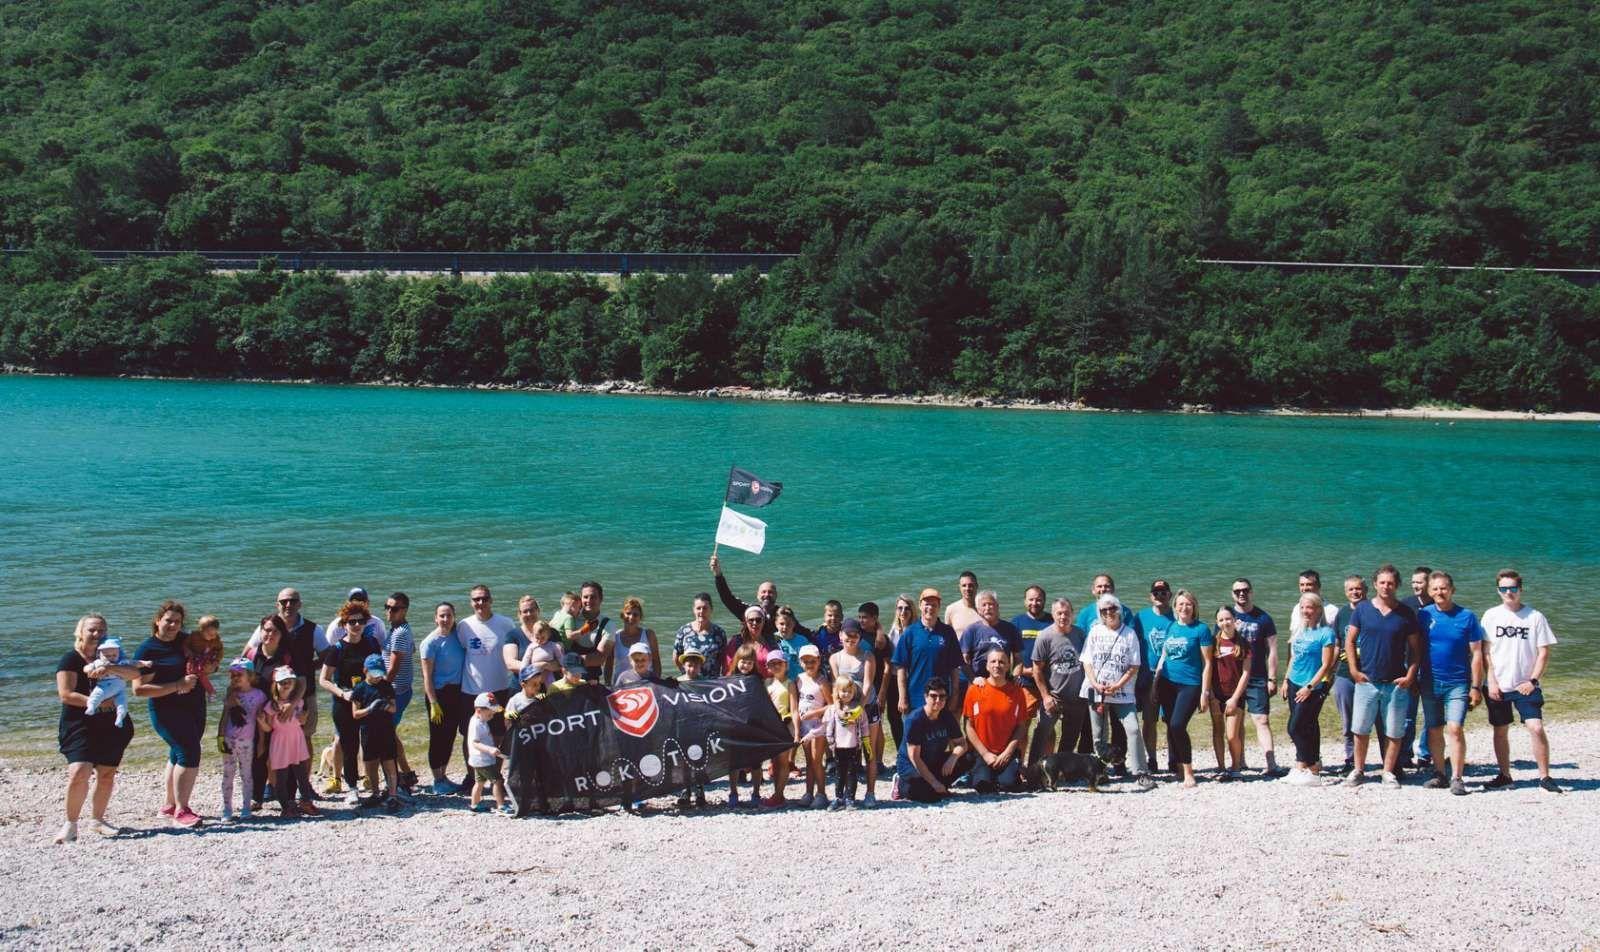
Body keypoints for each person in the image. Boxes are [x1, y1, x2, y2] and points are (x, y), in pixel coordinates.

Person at [55, 615, 139, 843]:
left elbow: (135, 674)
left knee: (107, 774)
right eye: (92, 630)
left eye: (101, 630)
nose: (97, 634)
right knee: (79, 772)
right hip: (79, 723)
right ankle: (70, 825)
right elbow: (66, 694)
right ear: (80, 632)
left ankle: (98, 820)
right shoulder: (71, 659)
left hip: (111, 724)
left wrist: (112, 667)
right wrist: (97, 703)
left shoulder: (113, 655)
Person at [1480, 569, 1561, 793]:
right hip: (1498, 684)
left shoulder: (1535, 616)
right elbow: (1485, 651)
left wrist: (1533, 681)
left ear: (1520, 589)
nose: (1509, 592)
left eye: (1513, 588)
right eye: (1504, 589)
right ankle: (1505, 775)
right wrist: (1491, 681)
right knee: (1500, 730)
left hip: (1526, 685)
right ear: (1498, 590)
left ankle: (1545, 777)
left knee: (1536, 727)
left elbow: (1543, 652)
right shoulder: (1491, 615)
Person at [1344, 564, 1423, 788]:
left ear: (1396, 585)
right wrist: (1354, 670)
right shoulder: (1363, 609)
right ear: (1375, 584)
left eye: (1390, 583)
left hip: (1396, 683)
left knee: (1394, 731)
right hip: (1367, 681)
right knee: (1360, 729)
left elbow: (1416, 648)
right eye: (1382, 582)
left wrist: (1410, 676)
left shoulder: (1406, 613)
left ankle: (1388, 772)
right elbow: (1350, 641)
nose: (1386, 586)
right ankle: (1358, 770)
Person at [132, 600, 205, 828]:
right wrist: (177, 685)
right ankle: (182, 811)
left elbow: (208, 652)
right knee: (189, 752)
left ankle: (169, 806)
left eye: (177, 622)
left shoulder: (186, 641)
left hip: (194, 704)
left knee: (178, 752)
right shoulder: (147, 650)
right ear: (157, 621)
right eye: (168, 621)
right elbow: (138, 689)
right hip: (166, 710)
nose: (173, 625)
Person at [1417, 571, 1484, 795]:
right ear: (1429, 591)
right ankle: (1440, 774)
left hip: (1458, 683)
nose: (1440, 592)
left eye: (1444, 588)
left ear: (1452, 589)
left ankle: (1457, 777)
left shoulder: (1467, 616)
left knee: (1455, 728)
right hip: (1429, 681)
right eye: (1435, 588)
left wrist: (1476, 686)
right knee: (1434, 728)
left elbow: (1477, 653)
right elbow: (1412, 646)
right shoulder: (1423, 615)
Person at [1082, 594, 1155, 790]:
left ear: (1119, 610)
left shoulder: (1129, 634)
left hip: (1123, 693)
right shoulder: (1095, 631)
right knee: (1099, 734)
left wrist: (1117, 685)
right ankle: (1100, 772)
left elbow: (1134, 665)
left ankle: (1141, 772)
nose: (1109, 613)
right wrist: (1095, 683)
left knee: (1133, 729)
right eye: (1104, 610)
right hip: (1096, 691)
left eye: (1112, 608)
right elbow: (1087, 661)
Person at [319, 600, 384, 805]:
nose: (356, 625)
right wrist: (342, 694)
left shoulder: (372, 643)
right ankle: (352, 788)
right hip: (344, 702)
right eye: (352, 621)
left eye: (361, 621)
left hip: (368, 700)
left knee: (371, 743)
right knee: (349, 746)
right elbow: (323, 680)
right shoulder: (337, 648)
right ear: (344, 624)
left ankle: (374, 786)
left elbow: (378, 670)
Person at [1153, 590, 1213, 788]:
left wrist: (1205, 693)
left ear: (1194, 607)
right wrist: (1156, 681)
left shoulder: (1201, 629)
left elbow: (1207, 663)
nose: (1184, 607)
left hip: (1190, 684)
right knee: (1170, 725)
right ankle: (1178, 769)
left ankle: (1188, 772)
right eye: (1180, 604)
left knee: (1178, 725)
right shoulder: (1171, 626)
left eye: (1188, 604)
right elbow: (1164, 655)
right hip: (1167, 683)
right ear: (1175, 607)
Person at [1280, 594, 1338, 786]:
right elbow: (1294, 658)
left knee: (1295, 727)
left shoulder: (1325, 633)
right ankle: (1302, 767)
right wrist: (1286, 680)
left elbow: (1326, 665)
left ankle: (1312, 768)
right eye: (1303, 607)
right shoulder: (1300, 630)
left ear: (1318, 610)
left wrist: (1310, 687)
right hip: (1294, 682)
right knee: (1306, 726)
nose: (1306, 611)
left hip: (1311, 686)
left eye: (1310, 607)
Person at [1230, 578, 1282, 776]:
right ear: (1232, 594)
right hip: (1234, 678)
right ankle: (1240, 761)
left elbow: (1273, 651)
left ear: (1251, 591)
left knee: (1261, 719)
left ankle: (1271, 764)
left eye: (1245, 590)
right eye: (1237, 591)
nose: (1241, 593)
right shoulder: (1227, 616)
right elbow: (1217, 647)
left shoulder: (1263, 618)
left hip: (1257, 676)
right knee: (1237, 720)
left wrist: (1272, 678)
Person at [1028, 597, 1087, 768]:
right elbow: (1037, 670)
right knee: (1042, 733)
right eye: (1059, 613)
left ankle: (1062, 771)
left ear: (1072, 614)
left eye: (1066, 613)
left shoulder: (1080, 634)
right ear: (1053, 615)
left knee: (1070, 738)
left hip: (1077, 698)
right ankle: (1033, 770)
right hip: (1054, 697)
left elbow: (1088, 664)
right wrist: (1045, 697)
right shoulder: (1045, 636)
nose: (1063, 617)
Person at [893, 677, 970, 802]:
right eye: (934, 696)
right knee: (929, 797)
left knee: (968, 757)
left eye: (942, 696)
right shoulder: (915, 720)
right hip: (911, 766)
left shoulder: (946, 716)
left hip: (933, 761)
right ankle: (900, 784)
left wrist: (952, 758)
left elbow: (962, 744)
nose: (938, 700)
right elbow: (915, 757)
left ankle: (936, 786)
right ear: (926, 697)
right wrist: (934, 783)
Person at [830, 618, 880, 806]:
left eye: (855, 635)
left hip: (867, 708)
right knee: (846, 753)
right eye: (847, 635)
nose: (851, 639)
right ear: (840, 635)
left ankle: (870, 793)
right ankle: (844, 795)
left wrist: (860, 708)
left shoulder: (867, 656)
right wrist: (838, 709)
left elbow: (867, 684)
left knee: (869, 751)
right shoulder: (835, 658)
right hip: (846, 712)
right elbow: (836, 687)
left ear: (860, 637)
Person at [963, 650, 1029, 793]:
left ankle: (1009, 772)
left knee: (1008, 785)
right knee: (982, 786)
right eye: (993, 661)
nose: (997, 665)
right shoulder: (974, 690)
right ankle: (977, 772)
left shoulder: (1017, 692)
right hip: (982, 752)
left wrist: (1008, 752)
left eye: (1001, 662)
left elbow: (1021, 727)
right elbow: (968, 727)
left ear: (1008, 666)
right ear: (987, 666)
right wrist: (985, 754)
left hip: (1006, 753)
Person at [456, 584, 517, 738]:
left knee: (500, 734)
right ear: (471, 602)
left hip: (500, 689)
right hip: (471, 691)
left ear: (491, 600)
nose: (480, 602)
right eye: (476, 599)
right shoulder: (464, 625)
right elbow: (461, 652)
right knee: (470, 735)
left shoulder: (506, 623)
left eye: (484, 598)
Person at [420, 602, 468, 795]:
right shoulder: (430, 643)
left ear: (454, 617)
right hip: (438, 695)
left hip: (456, 693)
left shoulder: (457, 636)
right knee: (437, 737)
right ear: (435, 618)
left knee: (450, 736)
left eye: (449, 615)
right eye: (442, 616)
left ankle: (444, 776)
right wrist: (433, 703)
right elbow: (426, 677)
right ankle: (437, 780)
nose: (445, 619)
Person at [891, 588, 962, 716]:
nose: (930, 608)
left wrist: (954, 696)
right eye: (926, 604)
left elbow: (955, 668)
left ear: (939, 607)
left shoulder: (948, 632)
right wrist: (902, 697)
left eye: (934, 605)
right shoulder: (910, 632)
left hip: (941, 699)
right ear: (920, 606)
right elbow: (901, 669)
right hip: (915, 700)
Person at [216, 657, 267, 820]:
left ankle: (246, 808)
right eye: (232, 674)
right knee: (228, 775)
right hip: (229, 739)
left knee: (246, 775)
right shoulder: (231, 693)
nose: (235, 677)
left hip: (247, 741)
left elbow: (260, 722)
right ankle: (227, 809)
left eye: (239, 674)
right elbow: (224, 716)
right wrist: (220, 736)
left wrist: (261, 742)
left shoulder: (259, 695)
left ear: (250, 676)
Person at [351, 654, 403, 812]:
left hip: (386, 730)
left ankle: (393, 795)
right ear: (365, 671)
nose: (377, 677)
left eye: (380, 673)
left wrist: (385, 706)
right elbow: (355, 714)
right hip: (368, 730)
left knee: (389, 762)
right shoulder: (360, 688)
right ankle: (375, 792)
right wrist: (369, 709)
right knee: (371, 764)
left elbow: (394, 708)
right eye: (374, 673)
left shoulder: (386, 686)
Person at [259, 667, 313, 818]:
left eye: (289, 681)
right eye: (282, 682)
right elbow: (268, 728)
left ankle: (306, 801)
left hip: (297, 739)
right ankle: (285, 806)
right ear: (275, 685)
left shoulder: (299, 702)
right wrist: (261, 722)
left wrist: (304, 718)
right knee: (281, 777)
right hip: (280, 742)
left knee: (302, 774)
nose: (286, 685)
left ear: (294, 684)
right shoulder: (272, 705)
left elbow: (302, 722)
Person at [1328, 575, 1367, 775]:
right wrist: (1329, 670)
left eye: (1358, 588)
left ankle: (1390, 763)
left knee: (1379, 720)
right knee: (1348, 721)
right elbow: (1337, 643)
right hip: (1344, 673)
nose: (1355, 592)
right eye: (1351, 589)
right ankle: (1351, 760)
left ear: (1365, 590)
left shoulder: (1373, 610)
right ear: (1346, 592)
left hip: (1370, 673)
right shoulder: (1342, 613)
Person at [1135, 579, 1176, 771]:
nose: (1160, 595)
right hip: (1148, 676)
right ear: (1150, 596)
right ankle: (1151, 758)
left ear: (1170, 595)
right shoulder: (1140, 617)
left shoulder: (1177, 616)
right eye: (1156, 593)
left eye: (1163, 592)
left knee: (1172, 721)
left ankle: (1174, 758)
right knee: (1149, 720)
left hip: (1171, 676)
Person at [1208, 606, 1251, 781]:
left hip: (1235, 695)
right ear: (1217, 622)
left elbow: (1246, 673)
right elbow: (1208, 669)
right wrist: (1210, 694)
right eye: (1221, 620)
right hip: (1216, 694)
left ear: (1234, 620)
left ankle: (1235, 767)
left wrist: (1234, 698)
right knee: (1218, 730)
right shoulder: (1213, 642)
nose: (1225, 622)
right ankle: (1221, 767)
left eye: (1228, 619)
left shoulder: (1243, 643)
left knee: (1232, 735)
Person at [381, 592, 418, 794]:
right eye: (387, 607)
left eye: (394, 608)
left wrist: (381, 688)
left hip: (396, 691)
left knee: (386, 736)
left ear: (404, 610)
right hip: (400, 690)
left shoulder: (400, 633)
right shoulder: (399, 629)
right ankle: (406, 773)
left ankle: (398, 778)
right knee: (390, 734)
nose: (389, 611)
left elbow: (394, 668)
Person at [957, 590, 1022, 699]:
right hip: (979, 684)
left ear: (997, 606)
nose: (987, 608)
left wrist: (1015, 676)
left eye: (991, 604)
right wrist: (973, 679)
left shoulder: (1010, 629)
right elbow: (963, 660)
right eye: (984, 605)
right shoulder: (971, 630)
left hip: (1003, 683)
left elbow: (1018, 659)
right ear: (978, 609)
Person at [1399, 565, 1433, 769]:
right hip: (1408, 663)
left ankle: (1425, 754)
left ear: (1430, 582)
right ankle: (1404, 754)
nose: (1415, 586)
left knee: (1431, 714)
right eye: (1413, 582)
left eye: (1419, 582)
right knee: (1407, 715)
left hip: (1432, 666)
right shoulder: (1405, 605)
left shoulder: (1438, 604)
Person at [794, 644, 832, 809]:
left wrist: (814, 713)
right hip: (804, 727)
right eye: (805, 661)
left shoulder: (822, 682)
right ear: (800, 662)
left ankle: (821, 793)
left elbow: (832, 705)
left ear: (819, 661)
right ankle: (808, 793)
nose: (809, 664)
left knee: (817, 761)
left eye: (812, 661)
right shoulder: (799, 679)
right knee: (809, 761)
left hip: (818, 726)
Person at [674, 649, 711, 810]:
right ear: (683, 665)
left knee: (699, 758)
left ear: (700, 666)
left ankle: (700, 789)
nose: (692, 669)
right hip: (682, 725)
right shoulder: (677, 682)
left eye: (695, 666)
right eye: (689, 665)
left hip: (699, 726)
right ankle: (685, 789)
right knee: (684, 759)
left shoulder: (705, 682)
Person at [709, 553, 779, 639]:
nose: (767, 595)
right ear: (757, 595)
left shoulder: (782, 614)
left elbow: (795, 632)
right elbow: (727, 598)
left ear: (776, 595)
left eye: (770, 592)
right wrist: (718, 574)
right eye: (763, 592)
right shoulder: (749, 611)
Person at [822, 679, 866, 809]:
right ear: (837, 692)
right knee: (839, 773)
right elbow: (827, 727)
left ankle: (850, 798)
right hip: (838, 747)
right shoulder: (833, 710)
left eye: (849, 691)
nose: (846, 694)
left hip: (854, 747)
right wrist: (830, 742)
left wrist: (866, 742)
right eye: (843, 691)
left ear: (854, 693)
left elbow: (864, 726)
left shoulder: (858, 710)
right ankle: (838, 798)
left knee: (852, 773)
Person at [466, 693, 512, 814]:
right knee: (497, 781)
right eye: (490, 714)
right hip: (483, 760)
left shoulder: (480, 720)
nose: (492, 717)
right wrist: (489, 749)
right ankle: (501, 806)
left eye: (493, 714)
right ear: (479, 711)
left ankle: (474, 805)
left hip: (478, 760)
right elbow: (475, 743)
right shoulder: (476, 724)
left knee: (479, 782)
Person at [761, 651, 795, 808]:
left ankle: (779, 794)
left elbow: (794, 709)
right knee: (774, 763)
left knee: (783, 761)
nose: (776, 666)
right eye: (772, 664)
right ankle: (777, 794)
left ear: (785, 665)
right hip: (770, 727)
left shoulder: (790, 683)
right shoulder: (766, 683)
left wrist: (797, 731)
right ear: (767, 667)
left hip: (785, 725)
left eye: (779, 663)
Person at [882, 594, 915, 753]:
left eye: (907, 608)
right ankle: (901, 752)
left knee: (911, 717)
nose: (903, 612)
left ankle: (913, 752)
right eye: (900, 608)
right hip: (895, 679)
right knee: (893, 717)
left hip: (912, 679)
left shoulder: (916, 629)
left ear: (912, 610)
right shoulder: (894, 630)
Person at [601, 596, 660, 685]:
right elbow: (609, 664)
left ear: (640, 617)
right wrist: (607, 685)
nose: (631, 617)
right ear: (622, 615)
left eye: (635, 615)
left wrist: (657, 683)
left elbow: (656, 661)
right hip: (621, 684)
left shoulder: (649, 634)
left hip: (646, 683)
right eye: (628, 613)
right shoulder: (615, 636)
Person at [83, 637, 136, 728]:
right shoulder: (98, 663)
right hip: (104, 686)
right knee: (96, 695)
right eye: (107, 656)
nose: (111, 658)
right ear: (100, 654)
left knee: (122, 704)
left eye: (114, 655)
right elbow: (86, 668)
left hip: (120, 689)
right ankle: (91, 707)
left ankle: (119, 717)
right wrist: (89, 670)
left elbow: (134, 663)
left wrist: (145, 663)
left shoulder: (121, 662)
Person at [569, 580, 617, 681]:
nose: (589, 600)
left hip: (590, 680)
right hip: (565, 676)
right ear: (580, 599)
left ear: (601, 599)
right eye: (585, 597)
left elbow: (599, 658)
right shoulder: (570, 618)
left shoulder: (608, 625)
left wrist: (567, 661)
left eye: (593, 597)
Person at [675, 593, 727, 678]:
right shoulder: (684, 631)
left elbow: (724, 660)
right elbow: (676, 657)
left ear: (711, 610)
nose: (701, 611)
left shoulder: (719, 633)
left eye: (705, 608)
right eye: (698, 608)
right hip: (690, 682)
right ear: (694, 610)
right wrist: (686, 674)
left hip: (712, 682)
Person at [725, 605, 774, 675]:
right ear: (746, 622)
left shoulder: (771, 641)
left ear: (763, 621)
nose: (755, 623)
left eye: (758, 620)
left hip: (767, 681)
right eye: (751, 620)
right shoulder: (736, 642)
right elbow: (728, 668)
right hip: (742, 680)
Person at [518, 620, 565, 692]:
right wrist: (523, 671)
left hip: (548, 671)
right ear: (533, 634)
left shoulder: (553, 646)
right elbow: (526, 659)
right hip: (534, 672)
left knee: (551, 686)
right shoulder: (532, 646)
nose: (539, 640)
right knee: (532, 685)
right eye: (537, 637)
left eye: (543, 638)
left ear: (548, 635)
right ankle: (534, 695)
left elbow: (560, 657)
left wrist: (564, 668)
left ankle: (552, 695)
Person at [185, 615, 224, 700]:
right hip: (194, 656)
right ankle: (191, 686)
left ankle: (211, 691)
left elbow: (220, 650)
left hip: (207, 657)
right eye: (209, 634)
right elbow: (185, 645)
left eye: (214, 634)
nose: (212, 636)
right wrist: (188, 651)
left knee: (201, 672)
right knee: (191, 670)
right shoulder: (194, 636)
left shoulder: (216, 639)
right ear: (201, 630)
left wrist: (216, 661)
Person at [774, 606, 810, 685]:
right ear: (776, 623)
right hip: (781, 682)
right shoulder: (772, 640)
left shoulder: (802, 640)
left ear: (794, 623)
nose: (785, 627)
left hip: (800, 680)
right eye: (781, 624)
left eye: (788, 624)